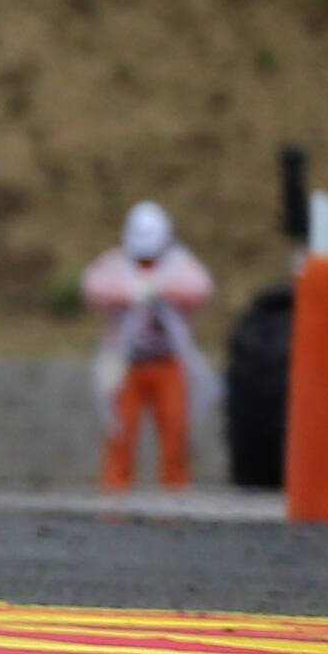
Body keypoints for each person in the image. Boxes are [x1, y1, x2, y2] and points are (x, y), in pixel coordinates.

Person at [82, 201, 214, 492]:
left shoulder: (180, 263)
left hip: (168, 362)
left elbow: (200, 288)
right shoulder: (115, 264)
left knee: (175, 434)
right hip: (125, 364)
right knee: (120, 434)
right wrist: (129, 292)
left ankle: (175, 501)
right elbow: (93, 287)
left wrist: (160, 288)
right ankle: (114, 500)